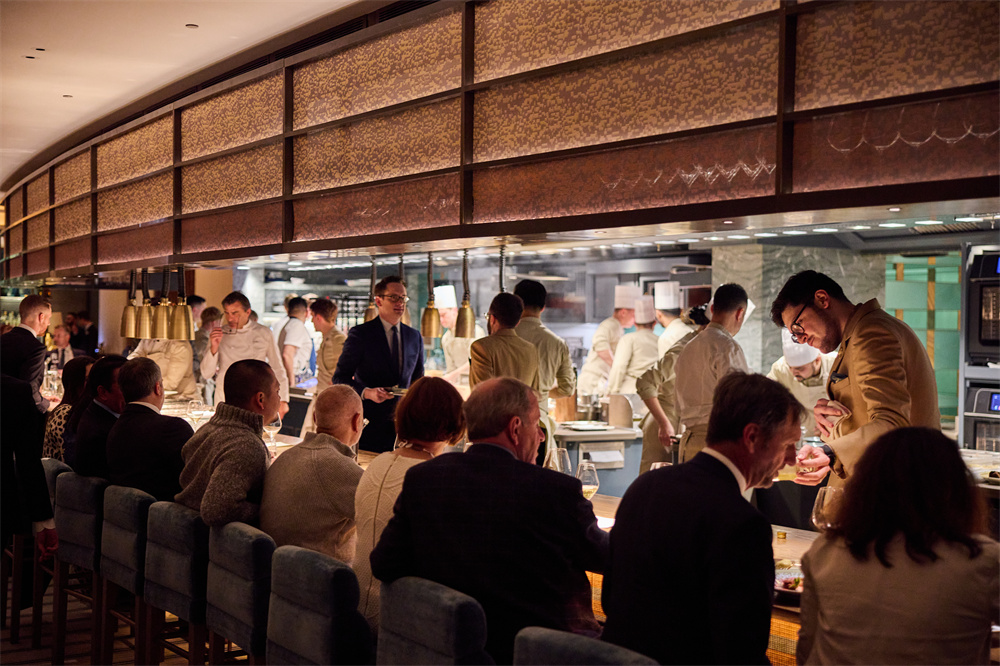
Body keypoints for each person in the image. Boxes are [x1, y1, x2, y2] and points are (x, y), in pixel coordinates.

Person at [371, 377, 608, 664]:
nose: (541, 436)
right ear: (515, 428)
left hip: (448, 649)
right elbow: (608, 557)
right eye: (537, 424)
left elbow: (384, 564)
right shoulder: (557, 492)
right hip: (541, 653)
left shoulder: (424, 478)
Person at [602, 372, 803, 665]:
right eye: (788, 444)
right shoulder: (743, 524)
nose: (793, 459)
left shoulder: (645, 486)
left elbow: (610, 600)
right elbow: (742, 654)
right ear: (752, 437)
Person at [798, 427, 999, 665]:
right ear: (956, 488)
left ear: (864, 484)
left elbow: (807, 650)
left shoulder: (824, 552)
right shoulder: (983, 560)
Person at [770, 270, 939, 487]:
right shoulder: (858, 335)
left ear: (822, 299)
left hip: (898, 487)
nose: (801, 339)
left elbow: (892, 423)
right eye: (795, 335)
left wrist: (830, 452)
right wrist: (833, 420)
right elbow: (866, 412)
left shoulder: (872, 333)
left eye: (798, 326)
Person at [354, 376, 466, 632]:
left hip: (354, 607)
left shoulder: (377, 463)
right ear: (451, 425)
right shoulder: (434, 479)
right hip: (399, 620)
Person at [260, 385, 364, 564]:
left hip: (272, 569)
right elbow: (382, 517)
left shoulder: (286, 457)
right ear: (357, 421)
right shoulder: (341, 469)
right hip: (319, 575)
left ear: (315, 418)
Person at [176, 359, 280, 527]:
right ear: (260, 399)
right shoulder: (246, 446)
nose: (280, 398)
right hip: (210, 541)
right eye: (277, 391)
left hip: (182, 534)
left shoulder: (205, 430)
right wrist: (268, 511)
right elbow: (217, 511)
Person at [333, 276, 424, 453]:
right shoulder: (361, 334)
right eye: (394, 297)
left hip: (404, 427)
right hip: (370, 425)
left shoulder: (414, 336)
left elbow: (418, 380)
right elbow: (340, 378)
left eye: (403, 298)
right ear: (378, 301)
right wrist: (367, 392)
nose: (400, 303)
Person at [674, 283, 750, 462]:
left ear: (713, 308)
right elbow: (739, 402)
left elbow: (677, 403)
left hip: (688, 442)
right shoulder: (728, 346)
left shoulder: (688, 347)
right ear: (740, 313)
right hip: (718, 442)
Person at [1, 374, 58, 612]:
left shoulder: (15, 391)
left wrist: (43, 520)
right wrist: (44, 521)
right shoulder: (13, 390)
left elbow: (29, 462)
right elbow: (28, 462)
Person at [106, 357, 194, 501]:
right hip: (165, 512)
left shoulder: (114, 427)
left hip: (122, 511)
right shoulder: (173, 428)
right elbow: (195, 480)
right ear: (157, 388)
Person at [636, 305, 709, 473]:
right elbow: (645, 383)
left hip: (677, 421)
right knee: (652, 478)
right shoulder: (686, 348)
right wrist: (664, 423)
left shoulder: (703, 346)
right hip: (664, 418)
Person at [200, 291, 289, 417]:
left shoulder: (264, 333)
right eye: (227, 313)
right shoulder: (219, 334)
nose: (230, 318)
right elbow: (206, 373)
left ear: (248, 312)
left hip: (256, 396)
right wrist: (214, 347)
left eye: (235, 313)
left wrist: (283, 399)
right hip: (225, 396)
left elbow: (277, 367)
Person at [513, 279, 575, 454]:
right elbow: (567, 388)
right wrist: (543, 394)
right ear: (543, 308)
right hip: (540, 424)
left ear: (517, 304)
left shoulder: (505, 337)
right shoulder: (557, 343)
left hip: (507, 425)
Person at [469, 292, 541, 399]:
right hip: (522, 410)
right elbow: (535, 393)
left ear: (492, 319)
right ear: (517, 322)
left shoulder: (480, 347)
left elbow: (481, 393)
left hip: (493, 410)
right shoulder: (531, 350)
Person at [766, 329, 836, 436]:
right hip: (800, 434)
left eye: (800, 369)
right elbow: (766, 398)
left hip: (834, 431)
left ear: (817, 360)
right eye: (790, 367)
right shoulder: (780, 369)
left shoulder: (835, 364)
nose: (794, 372)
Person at [71, 354, 127, 478]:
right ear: (102, 392)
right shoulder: (105, 431)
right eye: (124, 385)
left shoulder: (92, 411)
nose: (132, 390)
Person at [577, 284, 639, 396]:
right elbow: (600, 347)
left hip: (599, 382)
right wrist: (617, 369)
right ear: (623, 312)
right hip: (591, 382)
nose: (635, 319)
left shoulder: (619, 328)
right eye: (633, 315)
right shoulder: (610, 324)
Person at [301, 297, 347, 434]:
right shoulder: (329, 337)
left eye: (312, 316)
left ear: (318, 317)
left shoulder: (337, 339)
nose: (311, 321)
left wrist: (336, 382)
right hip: (323, 397)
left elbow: (345, 370)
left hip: (330, 400)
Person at [1, 294, 53, 412]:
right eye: (48, 318)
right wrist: (48, 405)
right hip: (18, 416)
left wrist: (42, 399)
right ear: (41, 317)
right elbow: (30, 393)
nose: (49, 323)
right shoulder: (36, 348)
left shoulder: (2, 339)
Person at [42, 355, 95, 461]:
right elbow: (71, 459)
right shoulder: (64, 413)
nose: (94, 384)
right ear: (75, 383)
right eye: (88, 379)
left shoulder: (86, 410)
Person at [607, 295, 659, 395]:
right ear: (654, 323)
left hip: (632, 392)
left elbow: (619, 367)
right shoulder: (660, 340)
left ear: (635, 323)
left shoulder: (628, 339)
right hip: (654, 393)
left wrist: (611, 391)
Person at [434, 285, 486, 383]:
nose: (441, 320)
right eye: (438, 316)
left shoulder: (473, 331)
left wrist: (452, 375)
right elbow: (450, 368)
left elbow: (475, 361)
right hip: (459, 385)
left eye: (443, 315)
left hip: (476, 383)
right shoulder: (446, 338)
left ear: (454, 310)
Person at [128, 336, 199, 399]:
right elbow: (134, 358)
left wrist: (142, 383)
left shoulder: (180, 345)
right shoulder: (147, 340)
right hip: (155, 397)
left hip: (182, 398)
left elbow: (171, 383)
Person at [277, 296, 314, 389]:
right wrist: (292, 382)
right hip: (294, 376)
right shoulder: (296, 325)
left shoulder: (289, 324)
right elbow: (287, 354)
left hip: (289, 375)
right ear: (306, 312)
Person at [653, 280, 695, 357]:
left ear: (658, 314)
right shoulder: (691, 332)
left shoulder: (666, 338)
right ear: (681, 311)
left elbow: (666, 364)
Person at [192, 305, 221, 380]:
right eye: (219, 323)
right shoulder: (205, 341)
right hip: (200, 381)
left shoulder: (193, 335)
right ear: (214, 323)